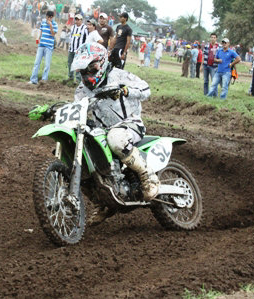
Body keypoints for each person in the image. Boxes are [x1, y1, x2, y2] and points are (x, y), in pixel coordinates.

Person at [69, 42, 158, 225]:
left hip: (129, 124)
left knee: (115, 139)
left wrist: (125, 90)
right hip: (103, 130)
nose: (86, 75)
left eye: (90, 68)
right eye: (83, 71)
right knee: (83, 158)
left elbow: (146, 89)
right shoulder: (82, 89)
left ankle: (148, 176)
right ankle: (102, 202)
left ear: (101, 63)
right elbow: (77, 109)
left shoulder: (118, 75)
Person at [29, 10, 58, 84]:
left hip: (49, 47)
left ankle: (44, 80)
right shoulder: (43, 22)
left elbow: (53, 34)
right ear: (46, 16)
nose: (49, 19)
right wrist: (38, 38)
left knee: (47, 64)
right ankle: (33, 79)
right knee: (36, 63)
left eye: (51, 17)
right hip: (41, 45)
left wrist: (51, 25)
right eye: (48, 17)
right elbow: (41, 31)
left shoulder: (55, 24)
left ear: (52, 17)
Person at [64, 13, 87, 84]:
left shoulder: (85, 28)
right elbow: (71, 37)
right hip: (72, 49)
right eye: (76, 19)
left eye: (78, 20)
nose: (77, 21)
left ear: (81, 20)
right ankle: (70, 76)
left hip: (79, 50)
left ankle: (78, 79)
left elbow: (87, 39)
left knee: (78, 64)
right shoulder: (73, 27)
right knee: (70, 63)